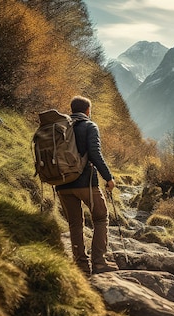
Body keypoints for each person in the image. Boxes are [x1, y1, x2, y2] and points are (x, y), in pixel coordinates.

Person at [56, 96, 117, 275]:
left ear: (72, 109)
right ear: (88, 111)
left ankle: (81, 265)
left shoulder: (60, 127)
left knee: (75, 224)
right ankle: (99, 262)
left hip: (62, 183)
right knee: (100, 217)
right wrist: (109, 178)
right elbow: (95, 153)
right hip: (85, 183)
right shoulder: (90, 126)